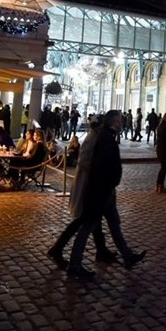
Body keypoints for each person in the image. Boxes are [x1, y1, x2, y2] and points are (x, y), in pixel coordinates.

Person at [66, 110, 146, 279]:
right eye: (118, 121)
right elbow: (101, 165)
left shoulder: (105, 137)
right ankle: (75, 264)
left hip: (106, 189)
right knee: (88, 225)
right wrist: (111, 180)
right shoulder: (105, 139)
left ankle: (127, 255)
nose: (121, 124)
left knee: (113, 223)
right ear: (112, 123)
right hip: (101, 189)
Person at [47, 115, 119, 271]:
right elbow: (88, 164)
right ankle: (63, 253)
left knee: (93, 220)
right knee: (84, 221)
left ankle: (101, 250)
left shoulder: (94, 138)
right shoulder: (94, 139)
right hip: (88, 187)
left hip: (92, 186)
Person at [154, 112, 166, 194]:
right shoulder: (165, 127)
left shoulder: (161, 126)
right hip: (164, 151)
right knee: (163, 169)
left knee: (162, 168)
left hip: (161, 149)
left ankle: (158, 185)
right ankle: (160, 186)